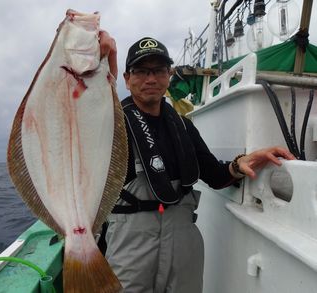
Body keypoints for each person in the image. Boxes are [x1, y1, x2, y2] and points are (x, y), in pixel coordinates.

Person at [99, 33, 296, 293]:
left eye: (158, 70)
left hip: (184, 243)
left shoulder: (183, 125)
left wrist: (241, 163)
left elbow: (215, 175)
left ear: (168, 75)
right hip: (129, 243)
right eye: (140, 71)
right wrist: (96, 62)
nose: (150, 79)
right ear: (126, 78)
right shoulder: (111, 124)